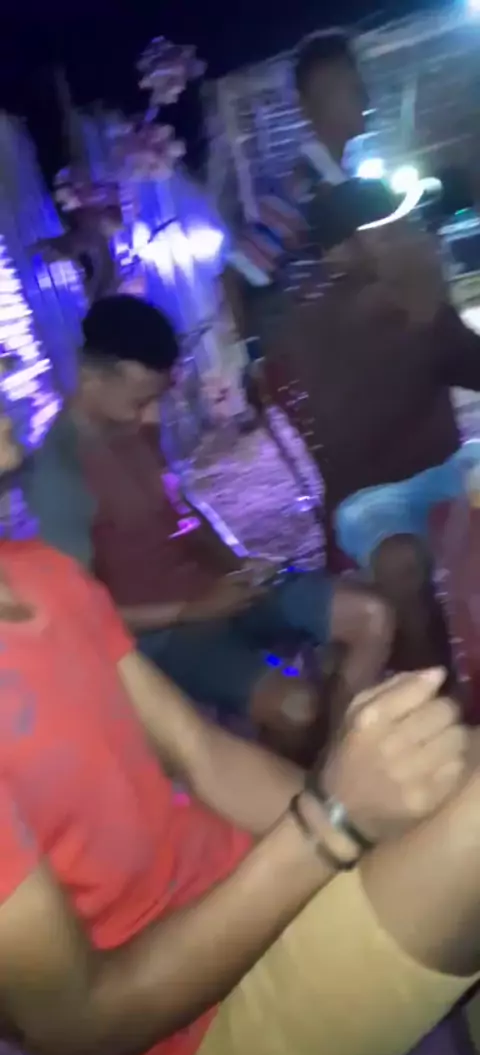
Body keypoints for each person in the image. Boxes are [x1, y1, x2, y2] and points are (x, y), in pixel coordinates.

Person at [0, 405, 480, 1055]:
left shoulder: (42, 575)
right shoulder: (67, 474)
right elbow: (82, 1028)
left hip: (254, 883)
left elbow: (203, 754)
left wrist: (371, 821)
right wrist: (331, 822)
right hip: (185, 1027)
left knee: (454, 767)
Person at [27, 294, 391, 757]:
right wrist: (190, 610)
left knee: (371, 616)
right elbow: (79, 612)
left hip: (218, 594)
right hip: (162, 636)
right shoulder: (60, 473)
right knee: (296, 707)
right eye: (141, 400)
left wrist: (239, 565)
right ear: (92, 375)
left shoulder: (133, 427)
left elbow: (181, 511)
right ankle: (311, 778)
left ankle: (337, 761)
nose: (151, 414)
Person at [262, 30, 480, 674]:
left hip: (443, 461)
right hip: (372, 490)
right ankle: (433, 686)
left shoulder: (416, 300)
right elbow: (244, 279)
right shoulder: (297, 196)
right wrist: (261, 357)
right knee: (401, 563)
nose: (406, 236)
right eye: (388, 232)